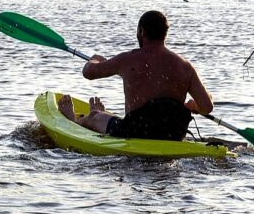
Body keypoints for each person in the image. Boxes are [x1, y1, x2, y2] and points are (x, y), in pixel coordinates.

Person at [57, 10, 213, 141]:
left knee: (95, 116)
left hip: (135, 132)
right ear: (165, 34)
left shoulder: (128, 60)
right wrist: (194, 106)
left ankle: (74, 121)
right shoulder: (185, 67)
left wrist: (94, 59)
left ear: (142, 32)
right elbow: (207, 107)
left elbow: (88, 73)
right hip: (173, 135)